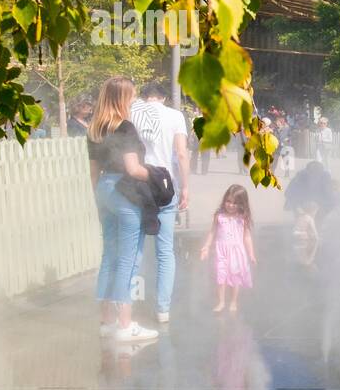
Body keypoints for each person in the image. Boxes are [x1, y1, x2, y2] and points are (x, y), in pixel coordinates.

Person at [87, 76, 157, 342]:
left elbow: (93, 172)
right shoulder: (125, 128)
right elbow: (133, 169)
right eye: (132, 96)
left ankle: (106, 321)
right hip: (125, 192)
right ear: (122, 99)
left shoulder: (95, 129)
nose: (134, 100)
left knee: (110, 256)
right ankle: (125, 325)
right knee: (128, 260)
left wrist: (98, 202)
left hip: (104, 190)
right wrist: (157, 176)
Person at [128, 80, 190, 324]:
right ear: (164, 97)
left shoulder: (133, 113)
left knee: (135, 248)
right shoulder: (175, 116)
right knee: (165, 251)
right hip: (165, 184)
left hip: (138, 182)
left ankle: (128, 307)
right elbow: (181, 154)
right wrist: (185, 187)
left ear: (145, 96)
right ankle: (163, 309)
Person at [199, 184, 256, 313]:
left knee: (235, 277)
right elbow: (212, 232)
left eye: (235, 203)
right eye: (228, 201)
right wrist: (206, 247)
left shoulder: (242, 218)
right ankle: (221, 302)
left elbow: (247, 237)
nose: (231, 205)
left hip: (236, 252)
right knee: (221, 275)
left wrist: (251, 254)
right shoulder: (219, 216)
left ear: (242, 204)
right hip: (221, 251)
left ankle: (234, 301)